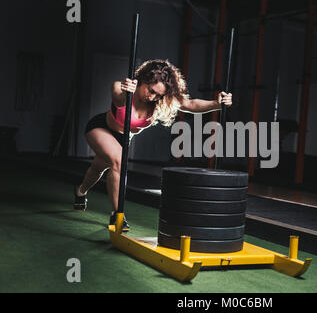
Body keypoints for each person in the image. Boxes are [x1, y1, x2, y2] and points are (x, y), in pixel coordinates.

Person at [73, 59, 232, 231]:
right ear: (143, 80)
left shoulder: (158, 102)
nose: (153, 97)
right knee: (119, 162)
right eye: (151, 91)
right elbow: (118, 100)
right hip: (100, 128)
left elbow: (190, 104)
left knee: (97, 169)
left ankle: (80, 191)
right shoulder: (122, 87)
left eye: (158, 95)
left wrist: (217, 104)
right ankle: (117, 215)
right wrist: (126, 93)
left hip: (122, 139)